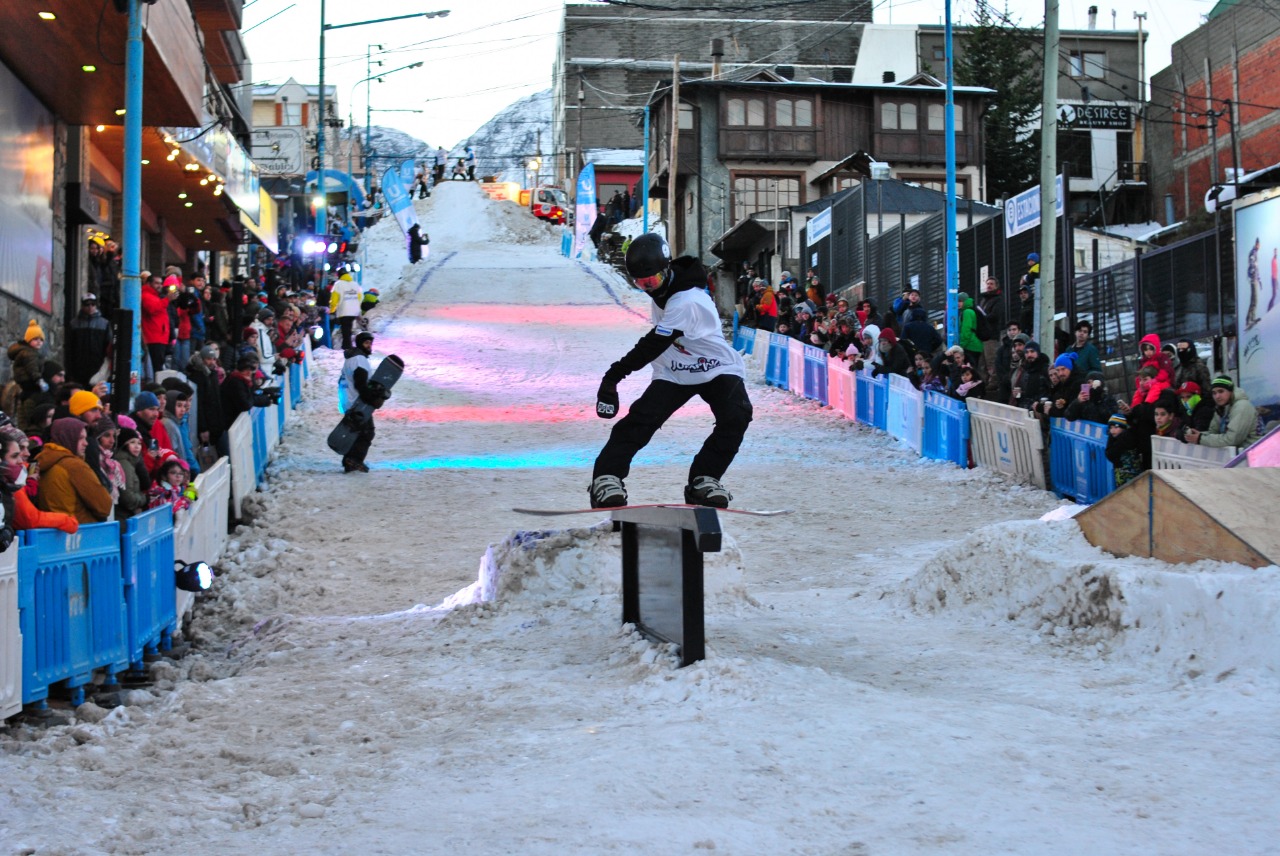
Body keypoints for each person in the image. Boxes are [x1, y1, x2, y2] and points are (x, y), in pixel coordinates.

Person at [590, 234, 752, 509]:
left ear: (666, 270)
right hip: (676, 369)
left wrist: (613, 376)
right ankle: (606, 478)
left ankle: (704, 479)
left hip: (715, 367)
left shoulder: (688, 300)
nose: (648, 289)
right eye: (640, 284)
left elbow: (653, 343)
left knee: (736, 415)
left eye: (652, 281)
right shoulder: (668, 286)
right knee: (640, 421)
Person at [33, 418, 113, 524]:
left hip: (51, 531)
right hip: (79, 530)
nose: (86, 443)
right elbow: (104, 506)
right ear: (68, 438)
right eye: (80, 438)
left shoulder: (41, 461)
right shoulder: (74, 466)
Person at [0, 427, 77, 534]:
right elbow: (29, 519)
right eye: (15, 455)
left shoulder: (20, 476)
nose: (27, 454)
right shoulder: (12, 482)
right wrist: (66, 520)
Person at [339, 332, 390, 473]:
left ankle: (349, 460)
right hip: (357, 402)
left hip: (349, 400)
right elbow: (360, 384)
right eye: (366, 343)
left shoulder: (352, 358)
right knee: (366, 432)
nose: (369, 346)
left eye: (370, 343)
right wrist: (371, 400)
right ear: (360, 344)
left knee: (356, 431)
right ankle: (354, 460)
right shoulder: (359, 360)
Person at [1184, 376, 1263, 449]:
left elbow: (1232, 440)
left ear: (1231, 391)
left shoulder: (1242, 406)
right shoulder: (1223, 407)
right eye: (1214, 393)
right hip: (1238, 455)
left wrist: (1201, 439)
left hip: (1253, 456)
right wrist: (1199, 435)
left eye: (1221, 391)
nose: (1217, 396)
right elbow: (1214, 433)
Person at [67, 294, 112, 387]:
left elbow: (108, 345)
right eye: (87, 304)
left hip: (97, 364)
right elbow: (69, 347)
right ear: (82, 306)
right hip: (79, 366)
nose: (90, 307)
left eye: (93, 304)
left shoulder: (104, 323)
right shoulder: (74, 323)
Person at [141, 273, 172, 377]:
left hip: (159, 337)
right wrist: (167, 299)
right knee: (155, 368)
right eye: (156, 283)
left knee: (157, 367)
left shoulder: (155, 296)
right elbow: (152, 309)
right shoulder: (146, 295)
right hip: (153, 338)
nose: (160, 286)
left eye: (161, 283)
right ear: (149, 284)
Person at [1105, 414, 1144, 488]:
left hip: (1129, 475)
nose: (1112, 430)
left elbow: (1110, 453)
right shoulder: (1120, 438)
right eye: (1111, 428)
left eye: (1116, 427)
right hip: (1123, 474)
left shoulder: (1124, 439)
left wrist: (1110, 439)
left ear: (1123, 428)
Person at [329, 270, 364, 350]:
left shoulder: (338, 284)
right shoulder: (355, 284)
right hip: (354, 311)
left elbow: (334, 299)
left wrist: (332, 309)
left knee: (346, 328)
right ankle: (346, 344)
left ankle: (347, 346)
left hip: (344, 310)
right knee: (348, 327)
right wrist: (356, 305)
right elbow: (360, 297)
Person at [978, 277, 1004, 381]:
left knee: (991, 360)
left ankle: (994, 381)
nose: (989, 286)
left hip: (991, 335)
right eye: (987, 283)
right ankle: (984, 381)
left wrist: (982, 318)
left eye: (991, 284)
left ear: (996, 286)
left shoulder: (998, 299)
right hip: (983, 335)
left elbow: (995, 316)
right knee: (982, 362)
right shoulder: (984, 300)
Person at [956, 291, 984, 372]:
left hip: (970, 345)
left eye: (960, 301)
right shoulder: (970, 310)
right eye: (957, 301)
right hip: (974, 345)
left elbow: (966, 330)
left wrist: (961, 345)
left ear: (965, 301)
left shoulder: (967, 312)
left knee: (970, 370)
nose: (958, 303)